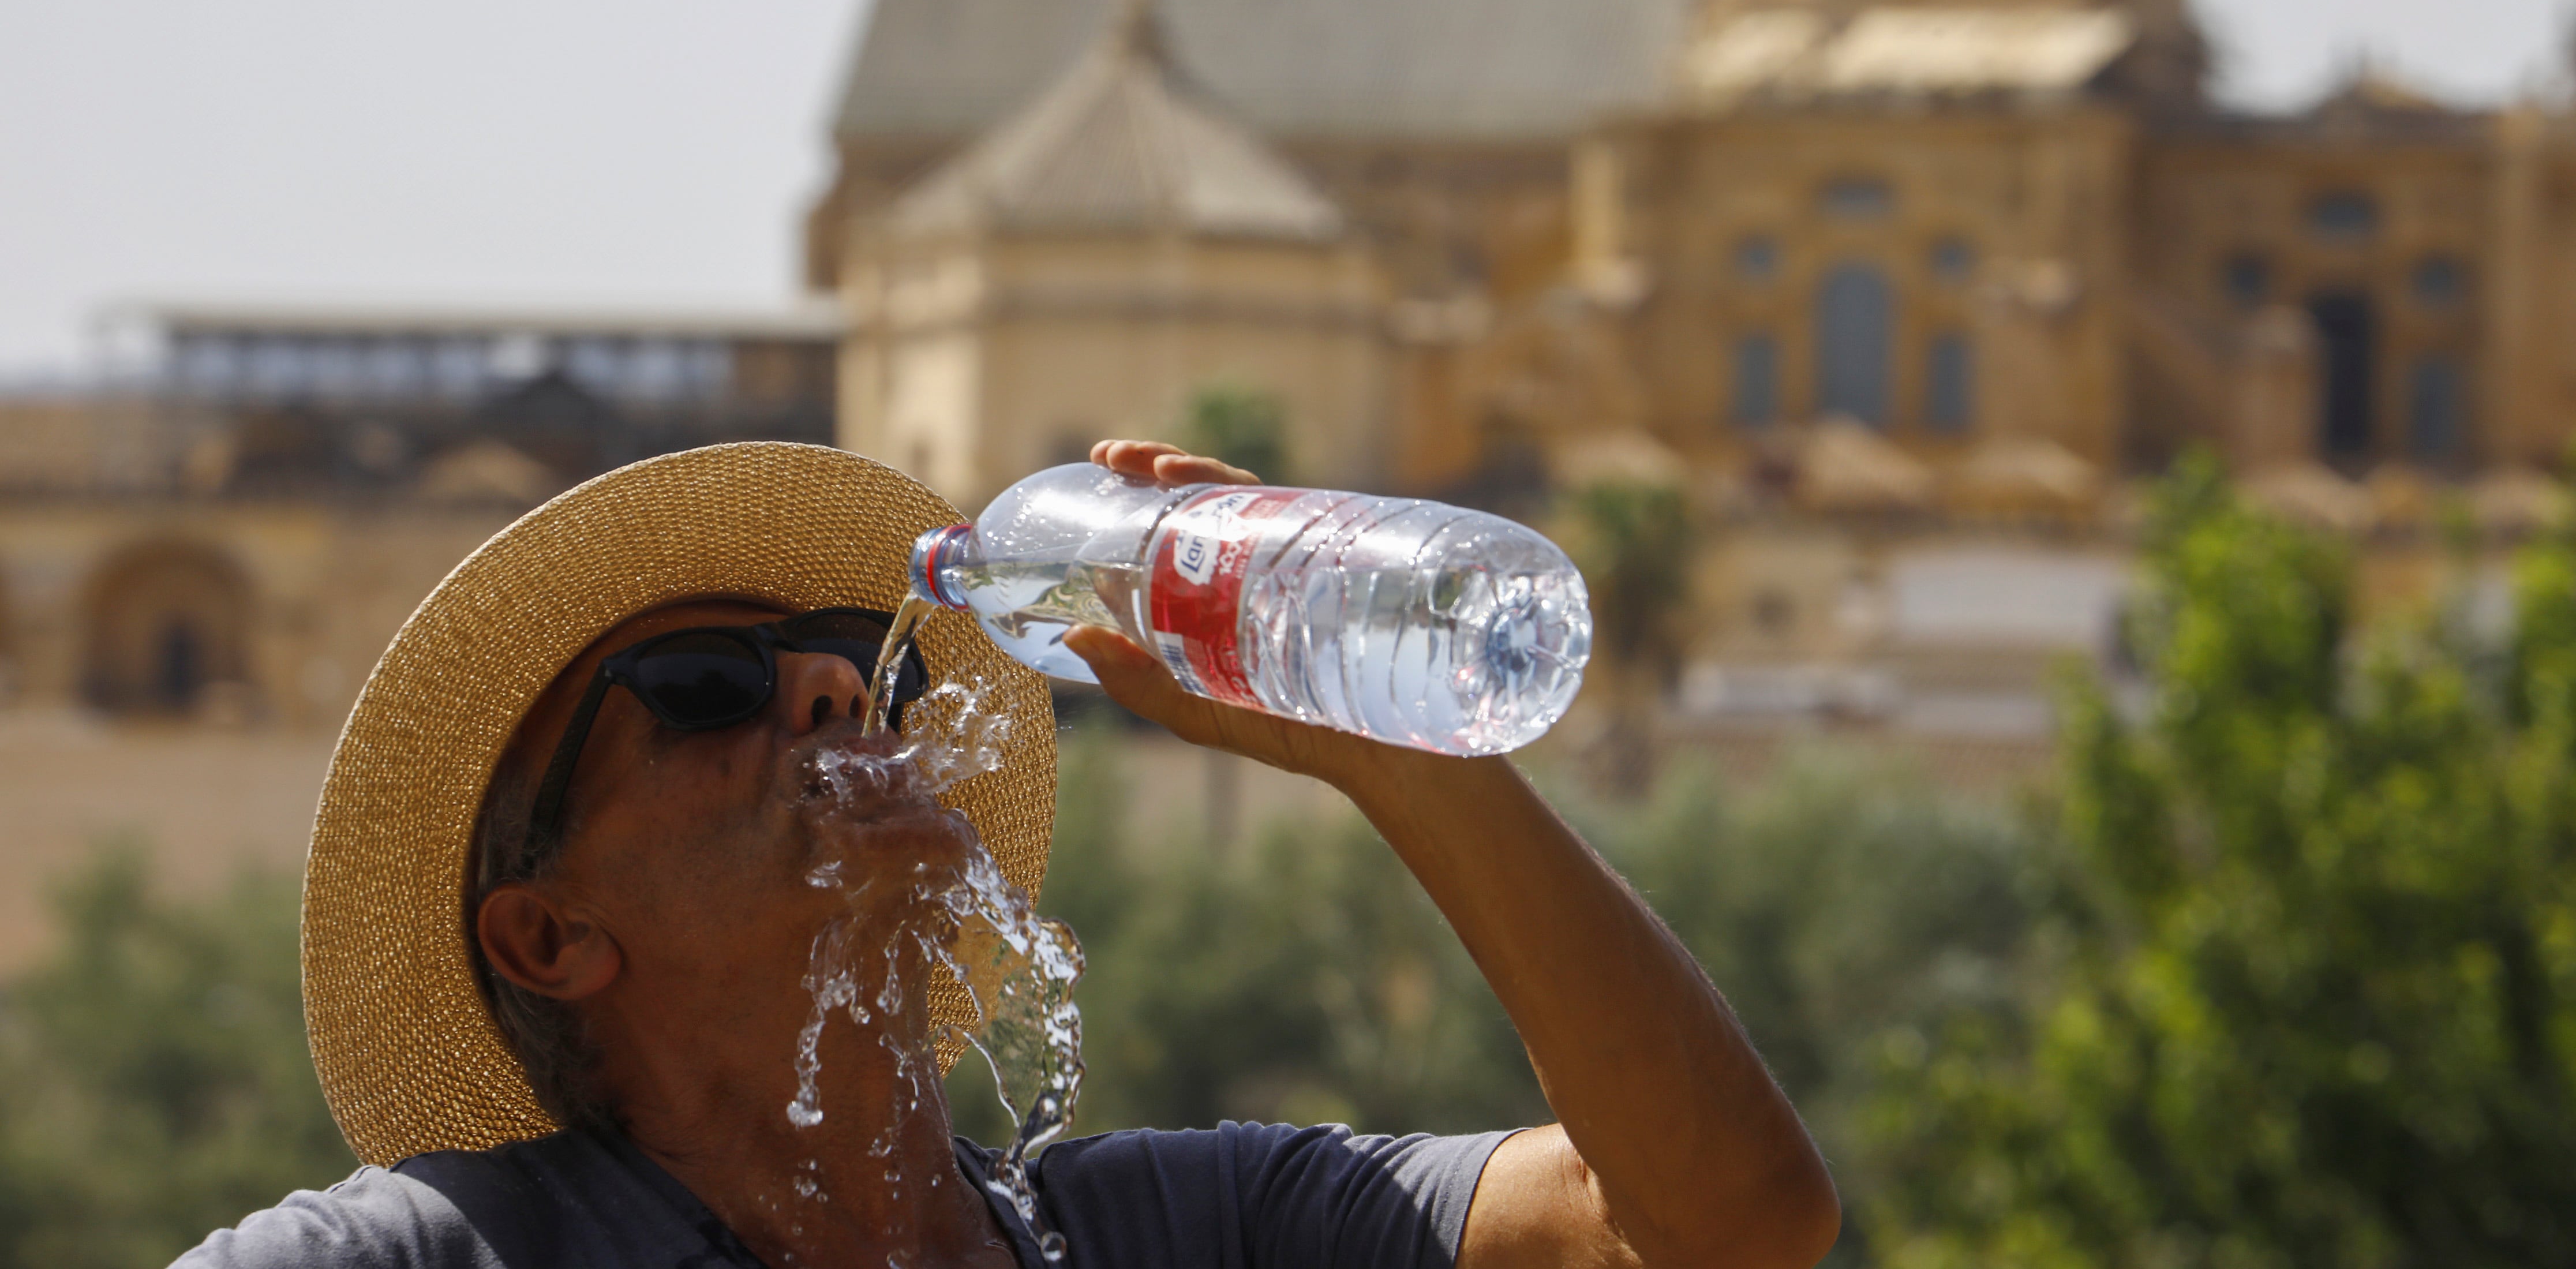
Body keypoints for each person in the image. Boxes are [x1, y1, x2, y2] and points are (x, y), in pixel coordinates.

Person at [182, 439, 1837, 1269]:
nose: (835, 686)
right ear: (548, 939)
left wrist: (1400, 760)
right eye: (697, 693)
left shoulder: (1169, 1231)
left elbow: (1718, 1225)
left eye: (855, 659)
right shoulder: (446, 1253)